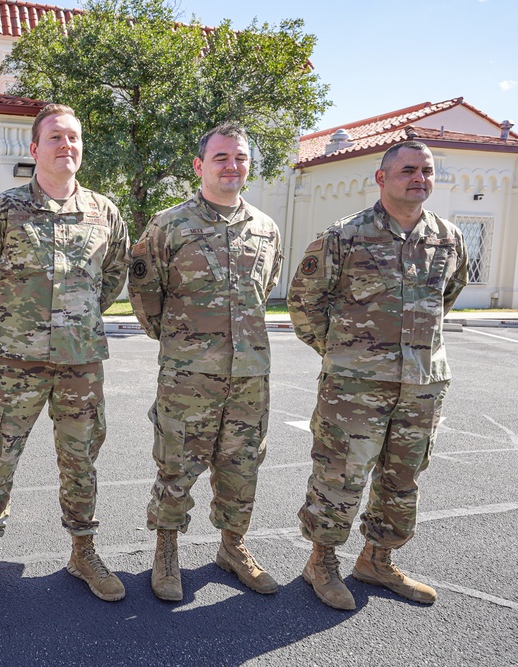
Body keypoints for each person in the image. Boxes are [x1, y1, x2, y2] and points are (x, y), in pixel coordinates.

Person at [0, 103, 129, 611]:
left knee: (81, 460)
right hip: (16, 362)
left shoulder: (104, 212)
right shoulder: (4, 210)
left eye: (73, 137)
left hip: (81, 362)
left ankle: (83, 551)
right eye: (55, 137)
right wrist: (15, 320)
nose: (66, 145)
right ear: (35, 150)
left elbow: (112, 278)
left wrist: (76, 323)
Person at [288, 140, 468, 610]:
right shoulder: (345, 236)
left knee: (403, 476)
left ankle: (377, 559)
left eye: (426, 171)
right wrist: (344, 352)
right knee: (340, 474)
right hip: (354, 388)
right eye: (408, 169)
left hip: (423, 384)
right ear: (381, 178)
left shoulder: (448, 237)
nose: (419, 178)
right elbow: (305, 301)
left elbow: (446, 297)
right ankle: (321, 562)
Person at [128, 123, 283, 602]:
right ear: (200, 166)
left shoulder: (265, 228)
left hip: (250, 376)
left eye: (240, 158)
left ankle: (233, 547)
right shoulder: (169, 225)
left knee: (242, 467)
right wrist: (180, 343)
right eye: (221, 158)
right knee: (176, 465)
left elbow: (267, 287)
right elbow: (144, 292)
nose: (231, 166)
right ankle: (167, 550)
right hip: (188, 375)